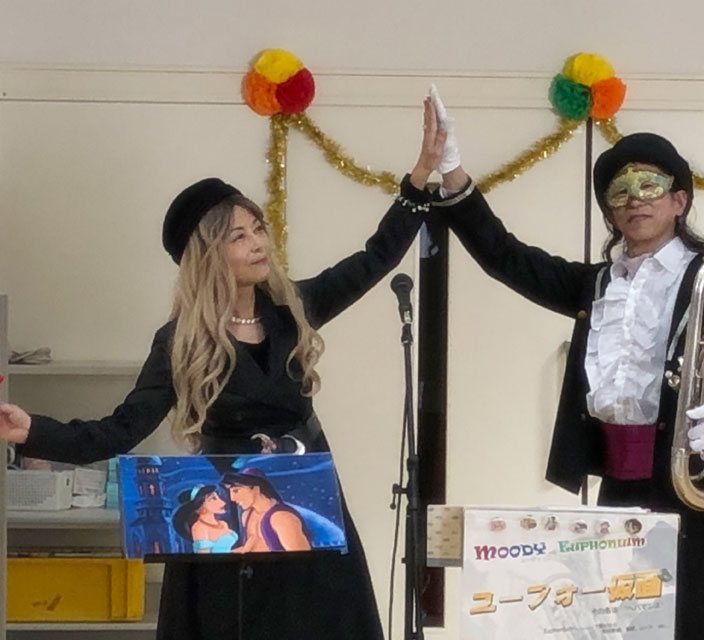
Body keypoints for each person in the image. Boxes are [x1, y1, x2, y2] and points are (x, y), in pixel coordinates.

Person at [0, 97, 449, 640]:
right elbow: (119, 430)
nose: (258, 243)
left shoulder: (292, 309)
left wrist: (419, 178)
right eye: (239, 236)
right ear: (208, 253)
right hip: (224, 526)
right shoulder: (180, 341)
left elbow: (375, 257)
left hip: (305, 506)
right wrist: (33, 431)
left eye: (258, 229)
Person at [427, 92, 704, 640]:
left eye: (650, 186)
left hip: (689, 486)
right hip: (616, 486)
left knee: (692, 626)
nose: (635, 200)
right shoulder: (596, 284)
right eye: (620, 192)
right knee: (618, 626)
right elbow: (505, 256)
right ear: (610, 212)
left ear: (679, 200)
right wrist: (452, 171)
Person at [221, 466, 309, 552]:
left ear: (255, 489)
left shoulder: (281, 517)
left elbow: (301, 556)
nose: (232, 498)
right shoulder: (247, 515)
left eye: (236, 490)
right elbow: (250, 547)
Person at [172, 484, 240, 554]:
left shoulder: (223, 523)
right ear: (201, 505)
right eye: (213, 498)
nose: (222, 502)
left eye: (218, 497)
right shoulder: (199, 527)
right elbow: (202, 554)